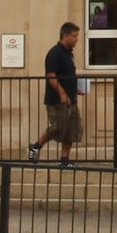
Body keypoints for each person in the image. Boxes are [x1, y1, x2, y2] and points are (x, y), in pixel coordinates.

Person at [28, 22, 82, 164]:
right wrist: (62, 93)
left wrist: (75, 89)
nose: (77, 39)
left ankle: (65, 159)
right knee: (57, 127)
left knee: (71, 129)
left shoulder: (69, 54)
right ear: (65, 36)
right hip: (57, 100)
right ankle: (36, 146)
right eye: (74, 36)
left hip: (71, 99)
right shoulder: (55, 53)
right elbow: (51, 75)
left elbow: (68, 75)